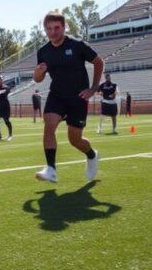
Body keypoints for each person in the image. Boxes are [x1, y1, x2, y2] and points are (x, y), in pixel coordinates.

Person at [33, 10, 103, 183]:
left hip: (78, 98)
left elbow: (98, 62)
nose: (53, 32)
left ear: (64, 27)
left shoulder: (77, 45)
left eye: (57, 28)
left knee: (75, 140)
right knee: (49, 125)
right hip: (56, 95)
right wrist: (37, 73)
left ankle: (92, 155)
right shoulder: (43, 51)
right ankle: (51, 169)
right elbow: (38, 79)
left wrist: (93, 88)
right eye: (48, 29)